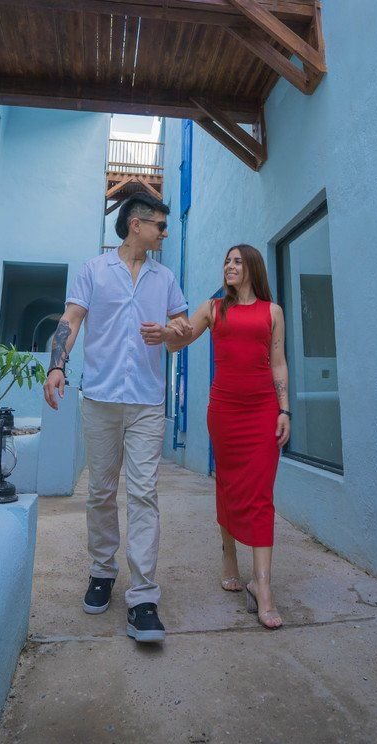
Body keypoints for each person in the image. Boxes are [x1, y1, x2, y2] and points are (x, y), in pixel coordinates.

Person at [44, 191, 191, 644]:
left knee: (144, 494)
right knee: (101, 492)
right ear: (135, 225)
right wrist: (56, 365)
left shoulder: (165, 278)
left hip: (147, 402)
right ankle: (102, 571)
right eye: (160, 226)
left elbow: (183, 331)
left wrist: (169, 332)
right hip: (101, 399)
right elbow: (71, 320)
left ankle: (143, 596)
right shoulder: (94, 270)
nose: (165, 233)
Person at [142, 244, 290, 630]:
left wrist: (284, 410)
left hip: (262, 411)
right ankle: (229, 555)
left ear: (253, 268)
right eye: (227, 261)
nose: (229, 266)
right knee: (228, 484)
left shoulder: (272, 312)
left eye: (237, 261)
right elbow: (180, 340)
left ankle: (262, 585)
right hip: (224, 412)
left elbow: (278, 363)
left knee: (260, 493)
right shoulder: (213, 308)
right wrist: (167, 332)